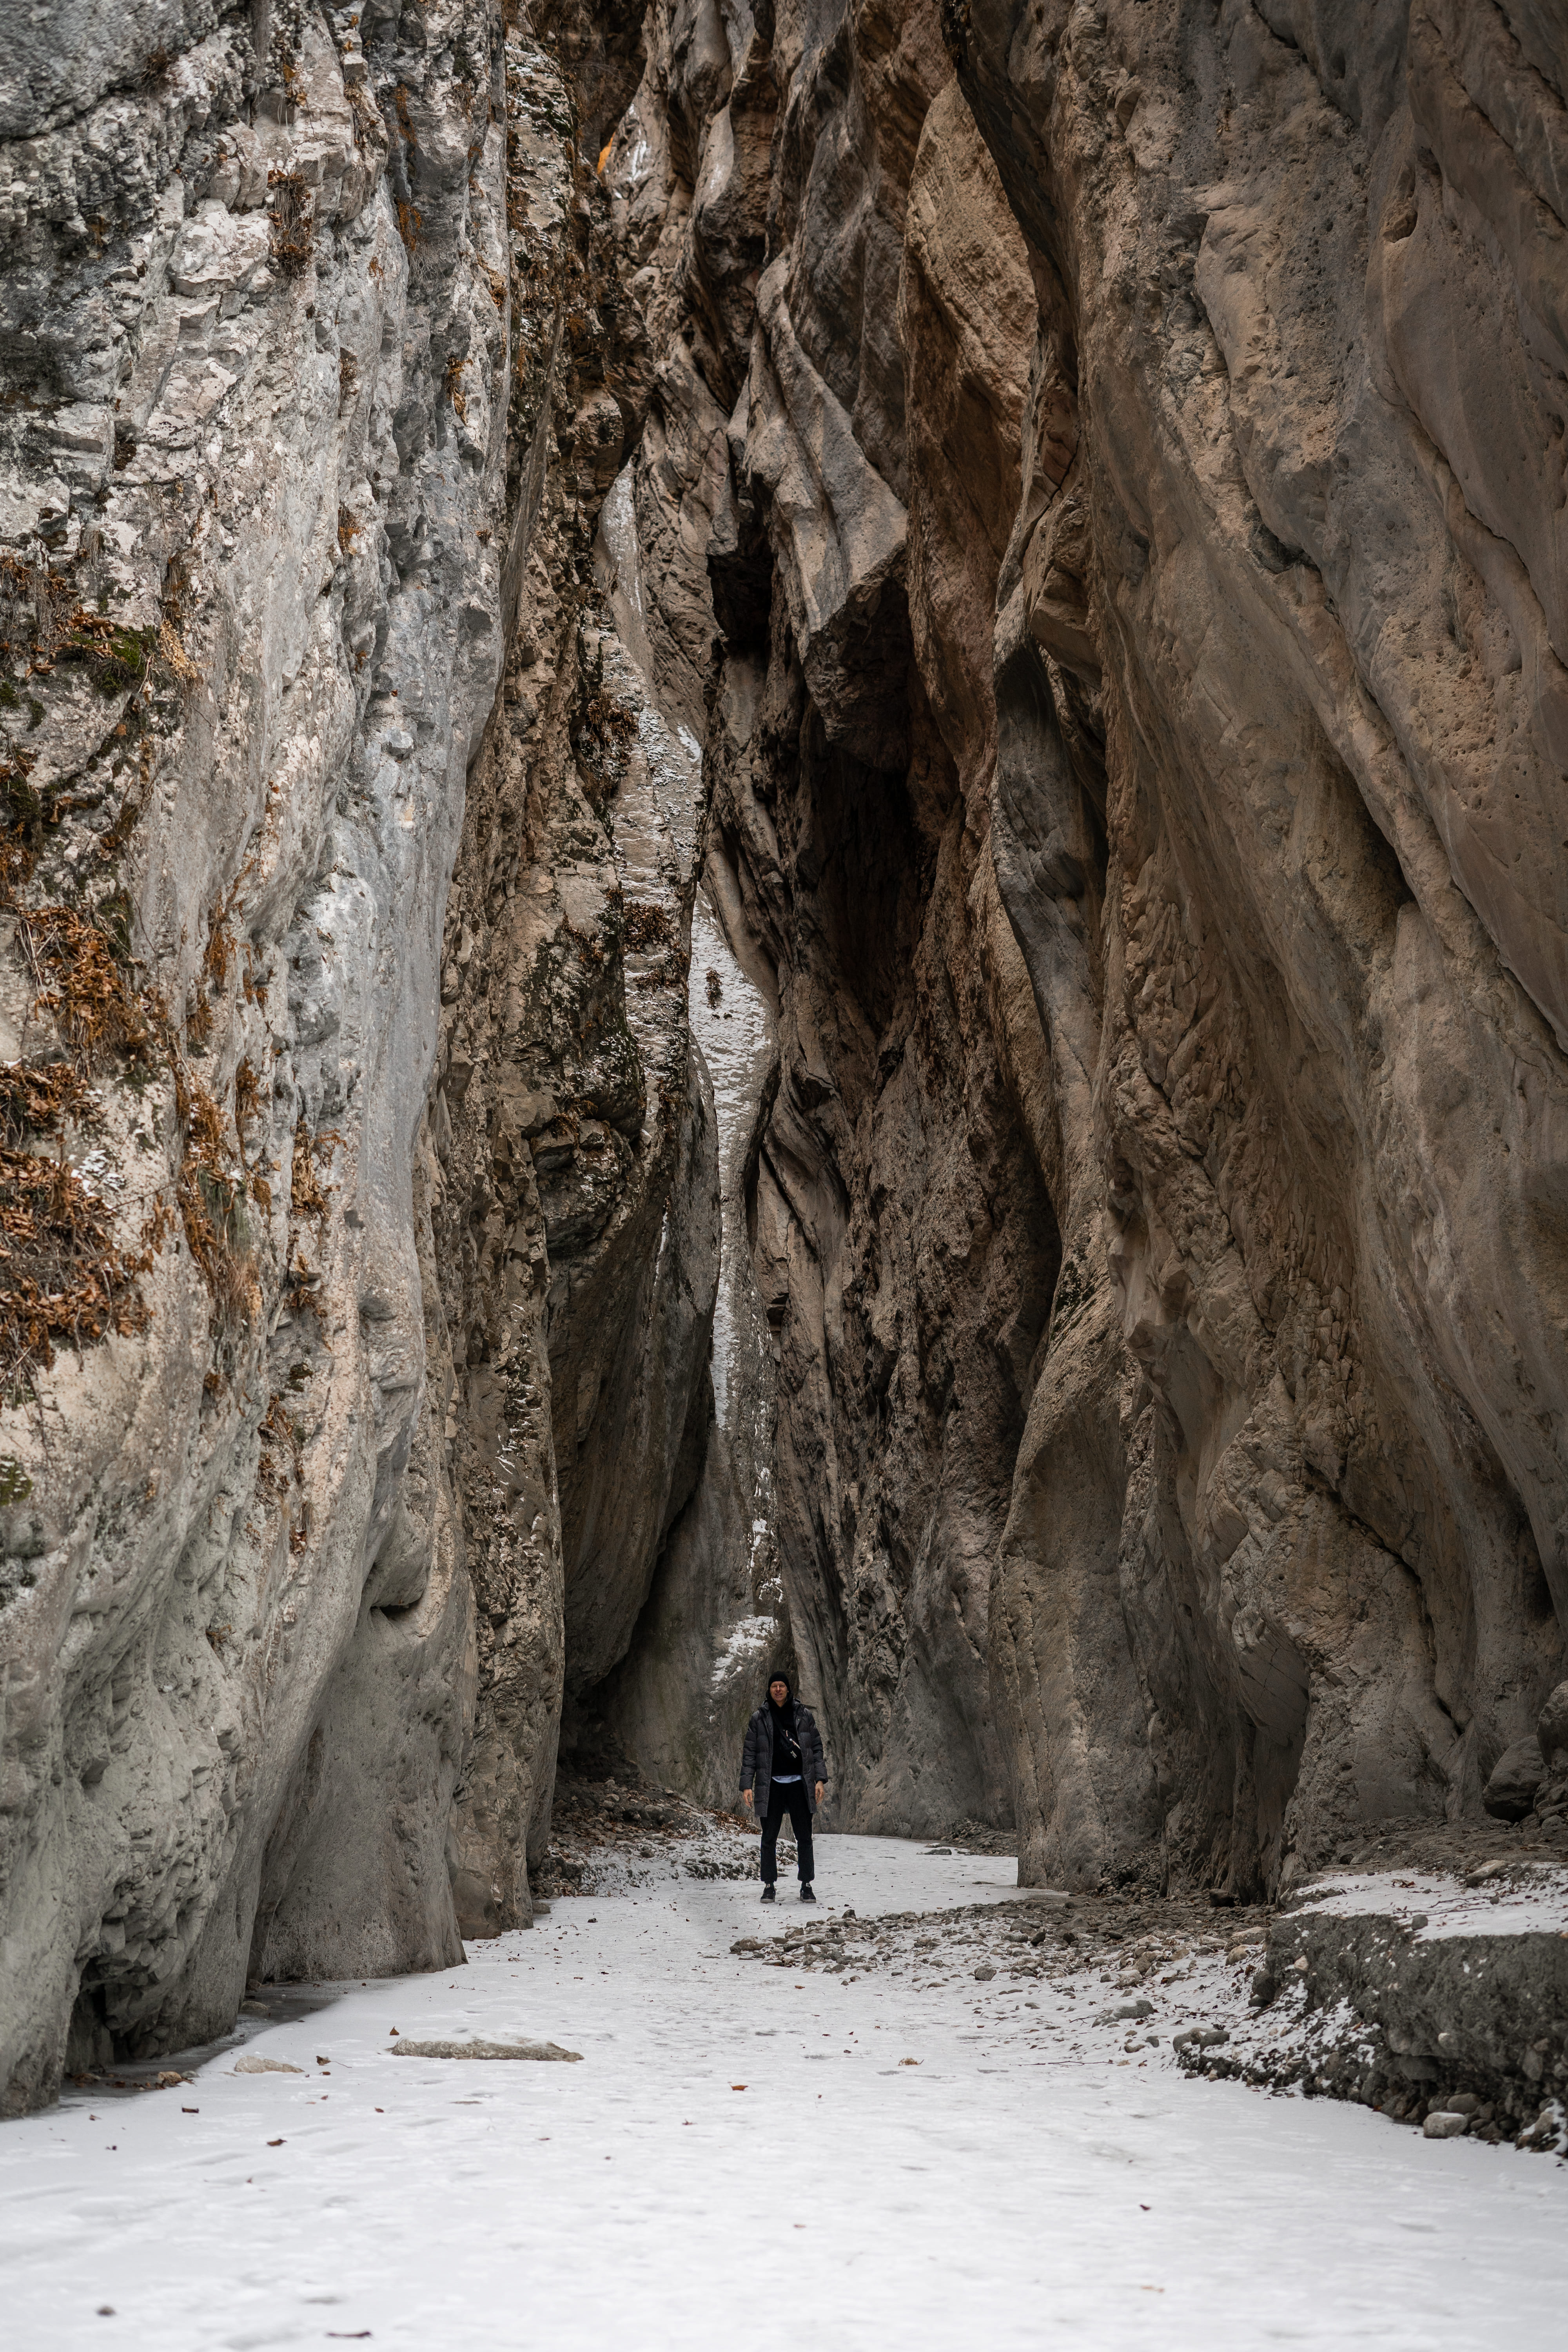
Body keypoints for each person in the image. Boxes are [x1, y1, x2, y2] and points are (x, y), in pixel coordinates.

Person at [740, 1671, 826, 1902]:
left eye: (782, 1686)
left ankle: (806, 1885)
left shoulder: (803, 1715)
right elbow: (750, 1754)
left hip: (800, 1784)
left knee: (805, 1838)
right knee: (769, 1838)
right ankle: (769, 1885)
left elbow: (816, 1749)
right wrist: (747, 1785)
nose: (778, 1690)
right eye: (774, 1686)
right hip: (771, 1786)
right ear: (769, 1690)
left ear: (788, 1689)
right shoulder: (759, 1718)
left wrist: (820, 1780)